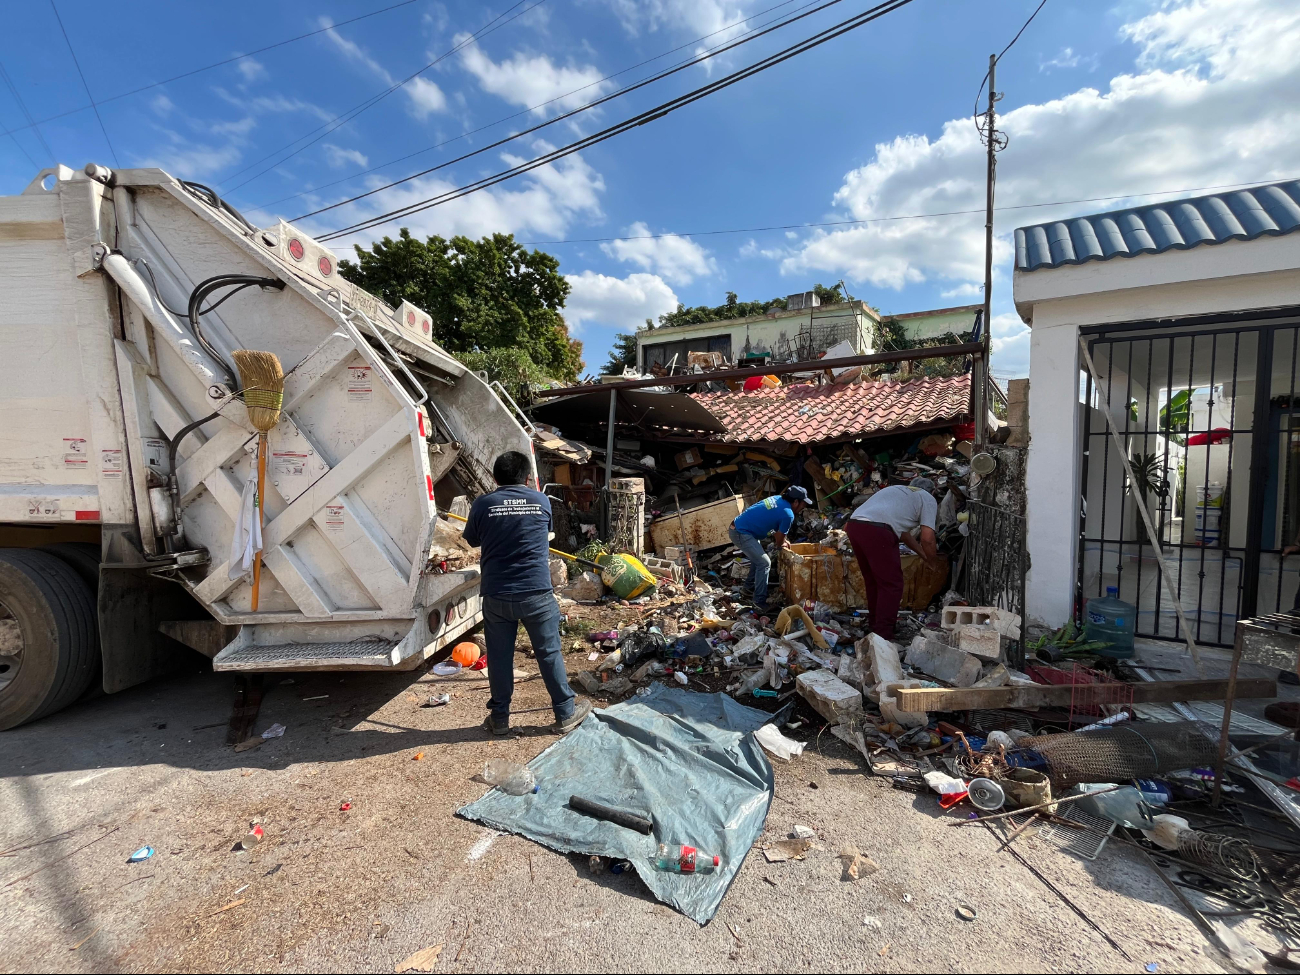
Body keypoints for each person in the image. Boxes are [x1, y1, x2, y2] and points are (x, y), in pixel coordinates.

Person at [462, 450, 593, 736]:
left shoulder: (484, 504)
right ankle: (565, 713)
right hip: (537, 594)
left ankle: (499, 719)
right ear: (527, 478)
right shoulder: (540, 500)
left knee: (498, 657)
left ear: (495, 477)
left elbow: (472, 540)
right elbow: (544, 532)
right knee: (549, 654)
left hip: (497, 595)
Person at [845, 478, 944, 641]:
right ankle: (883, 635)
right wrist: (932, 561)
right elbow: (927, 538)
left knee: (874, 581)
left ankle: (875, 625)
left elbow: (903, 534)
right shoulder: (927, 498)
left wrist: (923, 555)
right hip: (878, 530)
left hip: (855, 526)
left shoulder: (897, 490)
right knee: (892, 585)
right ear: (932, 491)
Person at [728, 486, 811, 609]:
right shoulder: (788, 514)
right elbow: (779, 541)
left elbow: (777, 530)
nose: (803, 506)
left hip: (740, 527)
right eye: (803, 503)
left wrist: (782, 540)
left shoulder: (777, 499)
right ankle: (759, 602)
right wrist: (781, 542)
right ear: (795, 502)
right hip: (741, 532)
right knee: (764, 562)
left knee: (759, 559)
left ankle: (748, 589)